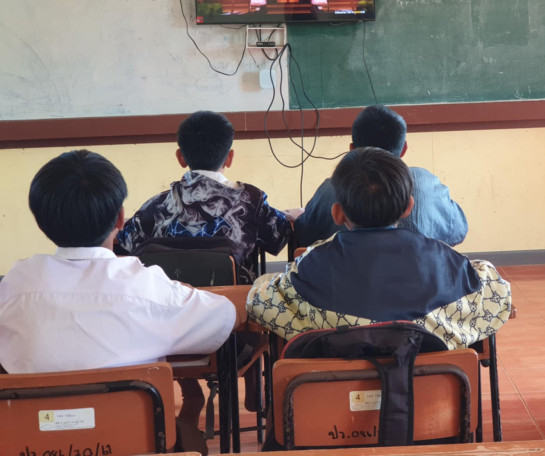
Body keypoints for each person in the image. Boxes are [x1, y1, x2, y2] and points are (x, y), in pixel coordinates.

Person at [0, 150, 238, 453]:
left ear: (40, 223)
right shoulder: (145, 286)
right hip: (137, 446)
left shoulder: (15, 285)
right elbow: (224, 316)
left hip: (31, 446)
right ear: (120, 218)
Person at [248, 147, 511, 349]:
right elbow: (497, 294)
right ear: (409, 207)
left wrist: (263, 282)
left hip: (337, 399)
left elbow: (261, 302)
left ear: (337, 214)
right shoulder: (444, 258)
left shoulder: (312, 264)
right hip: (432, 397)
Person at [117, 110, 301, 283]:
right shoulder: (251, 202)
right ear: (229, 158)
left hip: (170, 303)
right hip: (234, 303)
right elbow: (280, 237)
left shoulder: (155, 207)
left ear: (180, 157)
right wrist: (288, 215)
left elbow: (125, 243)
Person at [293, 105, 468, 248]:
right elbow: (458, 231)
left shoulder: (331, 188)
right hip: (423, 279)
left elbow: (304, 236)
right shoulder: (426, 183)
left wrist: (301, 217)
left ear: (352, 149)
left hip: (342, 280)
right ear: (404, 148)